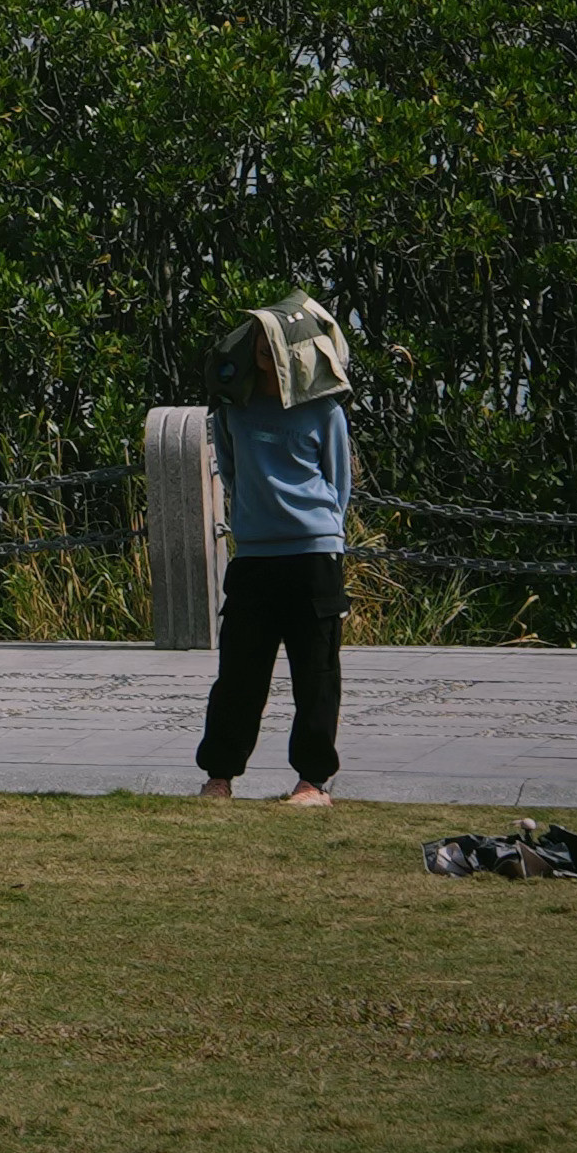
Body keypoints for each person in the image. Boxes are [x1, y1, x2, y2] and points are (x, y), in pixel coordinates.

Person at [198, 295, 360, 807]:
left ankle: (312, 782)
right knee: (239, 674)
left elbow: (338, 484)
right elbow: (231, 472)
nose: (264, 351)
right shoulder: (232, 409)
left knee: (316, 674)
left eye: (273, 342)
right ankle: (219, 777)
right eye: (259, 342)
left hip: (313, 556)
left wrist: (319, 534)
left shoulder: (325, 410)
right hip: (254, 558)